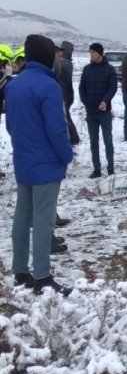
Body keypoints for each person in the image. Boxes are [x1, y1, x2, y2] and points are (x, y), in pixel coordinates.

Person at [5, 34, 73, 295]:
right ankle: (43, 277)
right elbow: (57, 129)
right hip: (46, 163)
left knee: (22, 216)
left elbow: (11, 126)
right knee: (43, 220)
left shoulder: (15, 85)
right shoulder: (48, 86)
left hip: (24, 160)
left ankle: (20, 271)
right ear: (46, 56)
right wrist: (66, 156)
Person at [79, 42, 118, 178]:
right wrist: (86, 102)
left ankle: (111, 168)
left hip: (104, 112)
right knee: (93, 141)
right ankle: (97, 169)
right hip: (91, 112)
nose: (91, 54)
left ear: (99, 53)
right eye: (90, 52)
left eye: (93, 52)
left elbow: (113, 87)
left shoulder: (109, 69)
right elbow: (81, 88)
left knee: (108, 141)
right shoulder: (87, 69)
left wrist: (105, 101)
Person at [53, 41, 80, 146]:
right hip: (68, 93)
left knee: (66, 117)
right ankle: (74, 138)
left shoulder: (64, 64)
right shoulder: (68, 63)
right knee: (67, 116)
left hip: (65, 94)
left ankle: (73, 138)